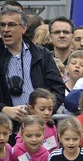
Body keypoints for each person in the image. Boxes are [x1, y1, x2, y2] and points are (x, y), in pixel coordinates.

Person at [0, 8, 65, 138]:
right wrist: (3, 109)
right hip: (6, 130)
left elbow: (58, 89)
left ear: (24, 28)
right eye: (2, 25)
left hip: (40, 129)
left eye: (11, 24)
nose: (6, 29)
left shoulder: (42, 55)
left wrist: (42, 111)